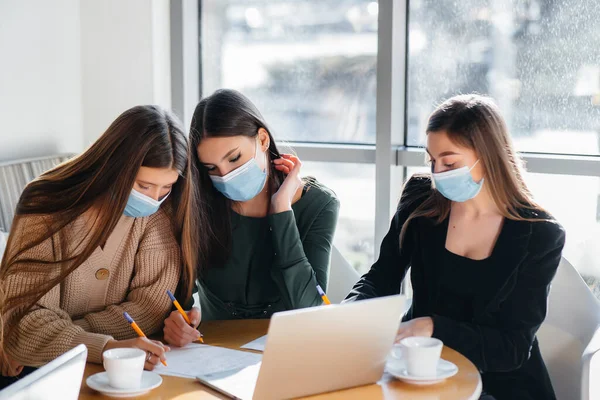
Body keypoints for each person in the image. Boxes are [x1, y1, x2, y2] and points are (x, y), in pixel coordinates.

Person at [345, 94, 565, 400]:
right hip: (420, 371)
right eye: (432, 160)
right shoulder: (422, 198)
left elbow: (512, 348)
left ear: (487, 157)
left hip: (502, 385)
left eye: (449, 162)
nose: (437, 174)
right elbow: (382, 276)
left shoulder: (540, 234)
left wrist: (434, 327)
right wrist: (347, 315)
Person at [0, 105, 198, 382]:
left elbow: (150, 307)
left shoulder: (159, 213)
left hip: (109, 362)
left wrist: (64, 338)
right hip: (40, 373)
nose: (154, 199)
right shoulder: (45, 204)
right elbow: (25, 321)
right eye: (143, 186)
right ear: (114, 166)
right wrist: (105, 345)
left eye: (166, 188)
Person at [163, 89, 339, 347]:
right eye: (211, 168)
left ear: (263, 139)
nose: (225, 175)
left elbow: (310, 310)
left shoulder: (320, 205)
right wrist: (177, 321)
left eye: (234, 158)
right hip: (210, 351)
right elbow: (180, 299)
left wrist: (281, 212)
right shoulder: (196, 202)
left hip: (287, 351)